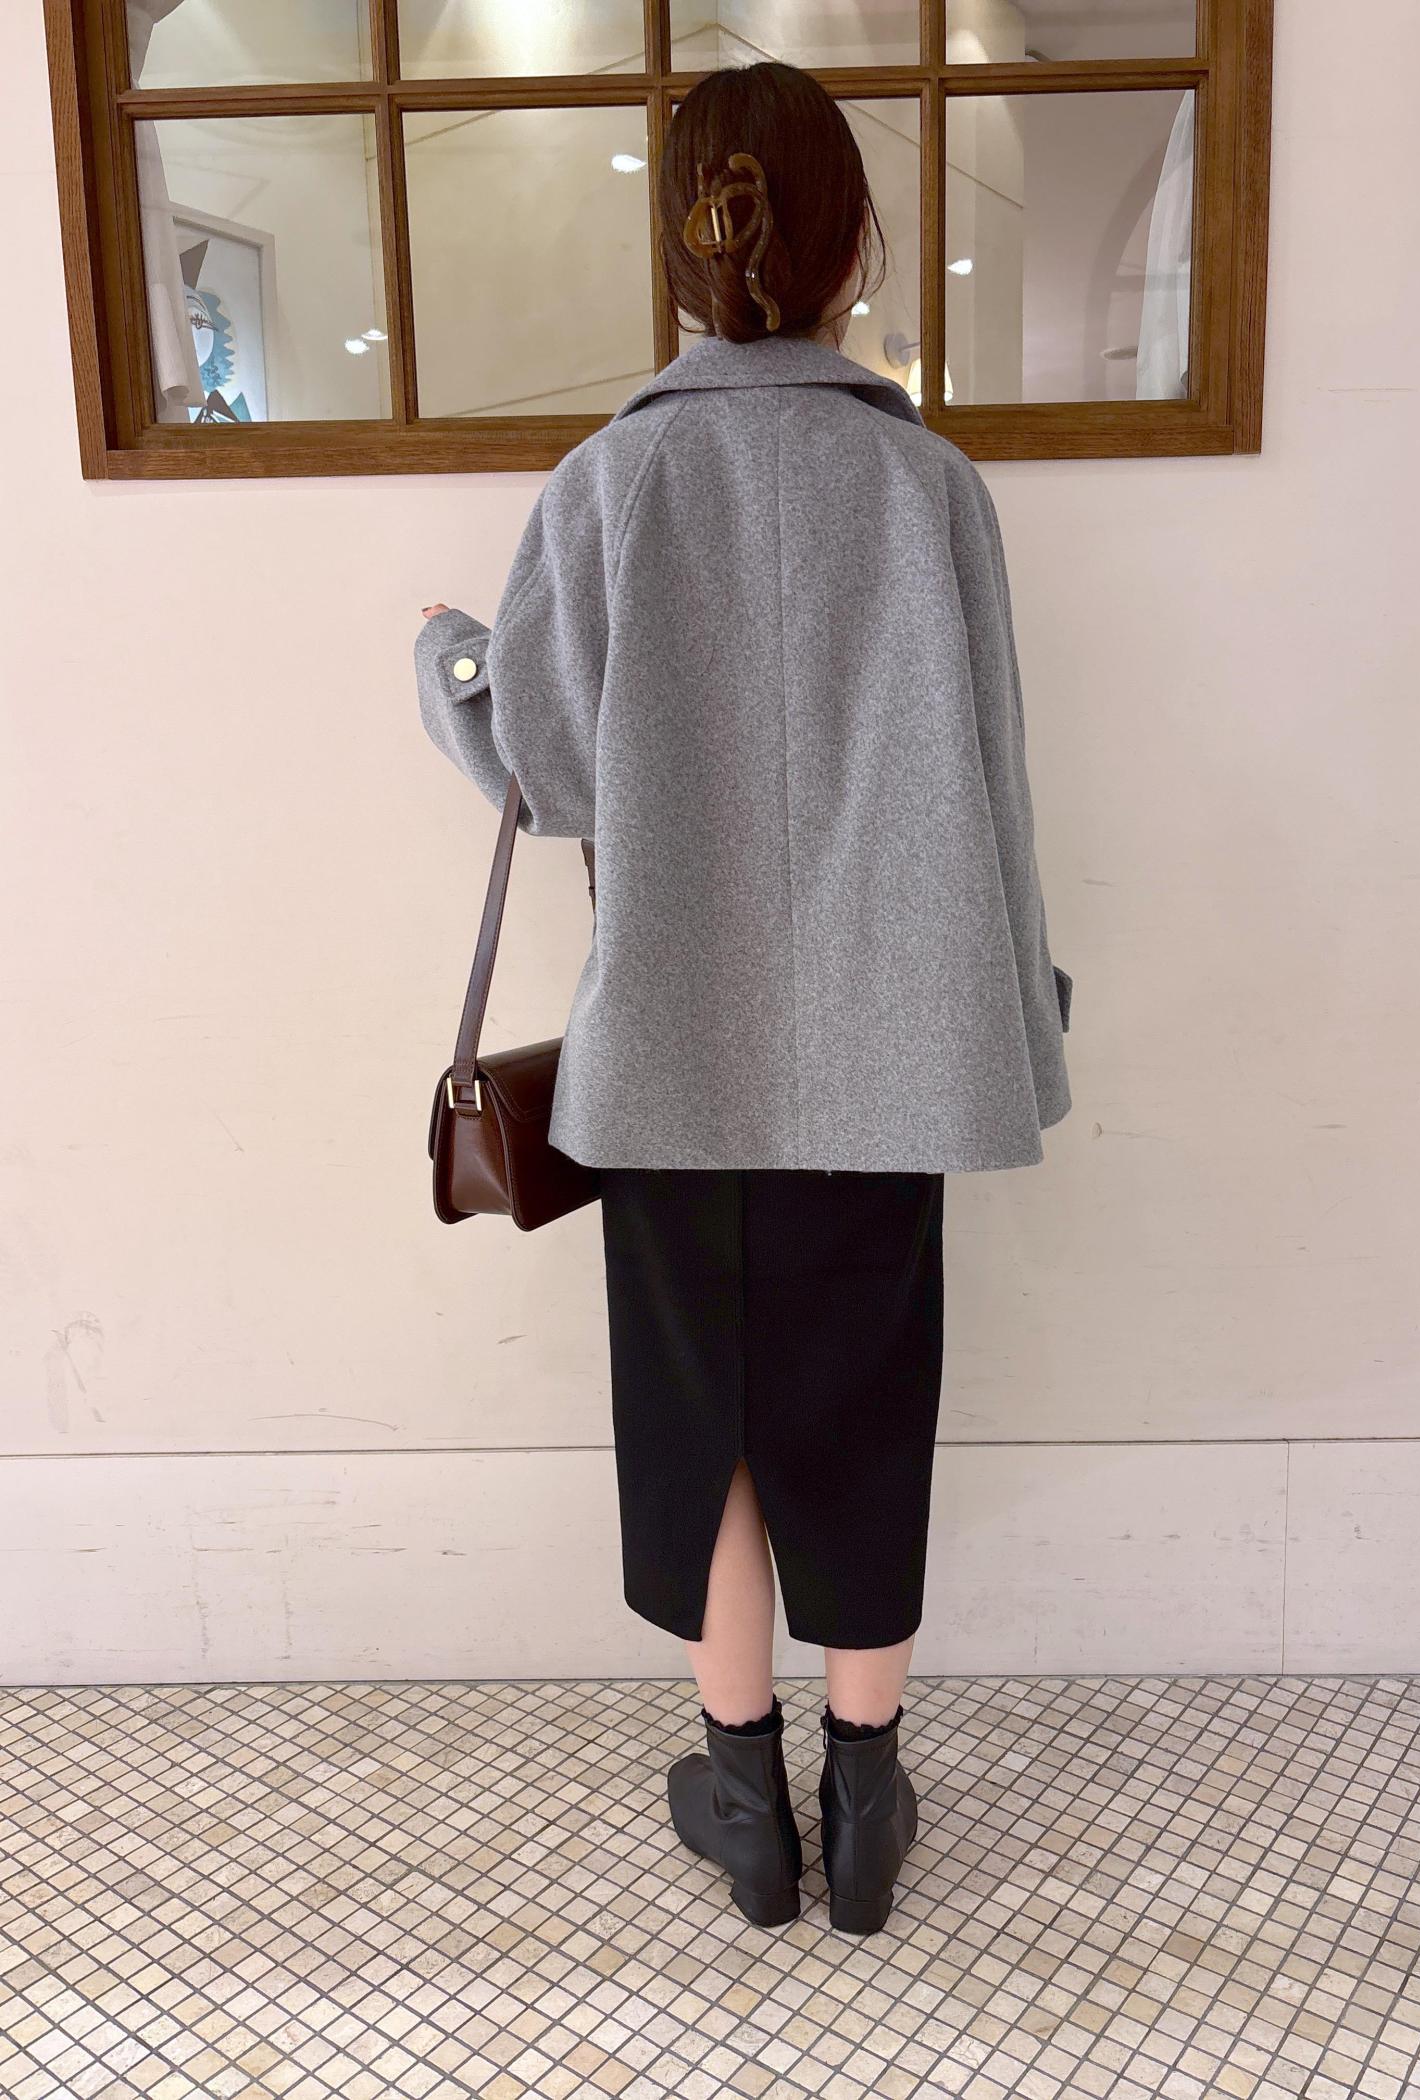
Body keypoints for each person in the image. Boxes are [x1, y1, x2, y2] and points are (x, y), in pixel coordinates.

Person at [415, 60, 1073, 1937]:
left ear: (683, 249)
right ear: (856, 244)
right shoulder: (929, 486)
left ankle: (743, 1791)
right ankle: (865, 1797)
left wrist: (448, 673)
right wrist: (1019, 1022)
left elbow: (549, 775)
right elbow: (995, 782)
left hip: (673, 1049)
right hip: (894, 1047)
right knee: (866, 1399)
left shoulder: (607, 482)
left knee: (699, 1409)